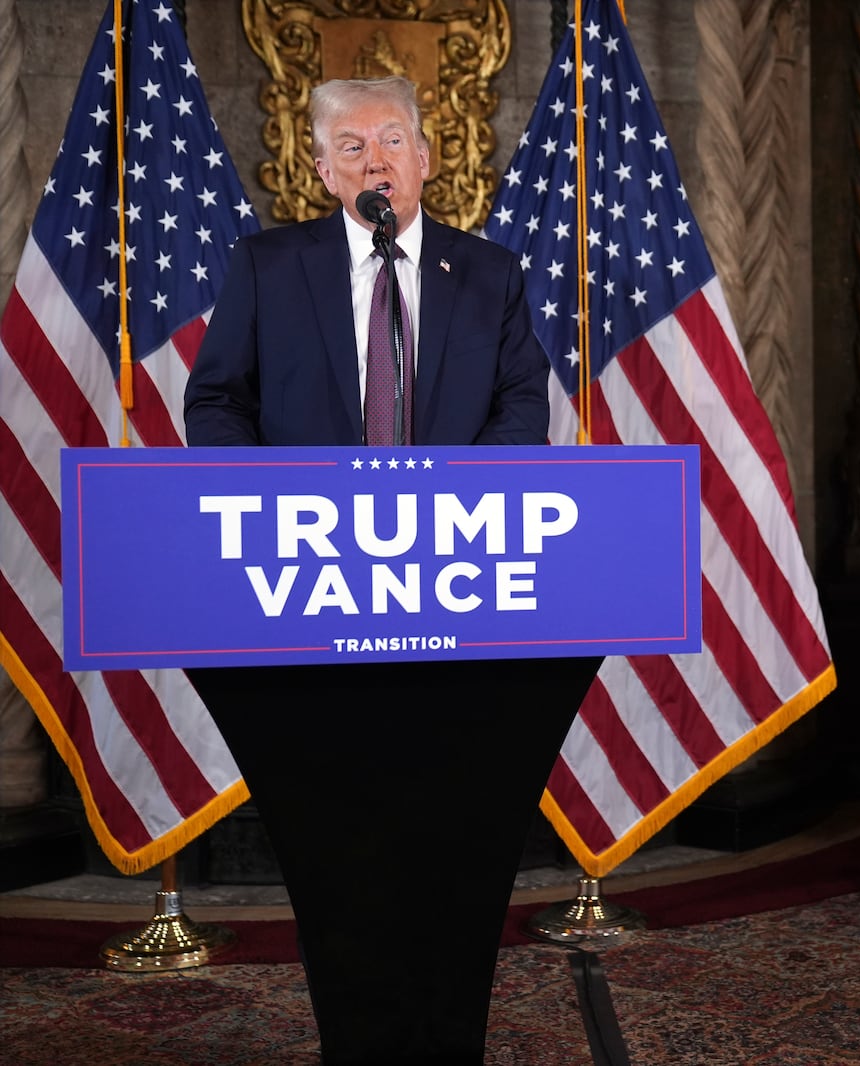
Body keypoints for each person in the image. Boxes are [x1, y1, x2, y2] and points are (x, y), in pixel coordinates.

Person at [183, 76, 599, 1064]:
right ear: (321, 168)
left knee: (447, 840)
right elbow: (215, 405)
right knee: (347, 850)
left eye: (394, 140)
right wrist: (282, 511)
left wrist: (447, 512)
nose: (377, 160)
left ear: (426, 157)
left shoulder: (489, 273)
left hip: (453, 607)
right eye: (353, 145)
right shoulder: (265, 265)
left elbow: (518, 413)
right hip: (307, 606)